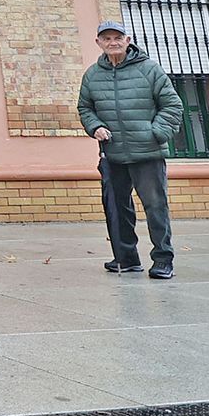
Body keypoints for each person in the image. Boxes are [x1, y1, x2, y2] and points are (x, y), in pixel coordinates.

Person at [78, 20, 184, 279]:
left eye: (118, 37)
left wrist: (155, 133)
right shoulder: (92, 74)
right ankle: (126, 258)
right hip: (112, 153)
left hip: (147, 153)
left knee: (155, 206)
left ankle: (162, 259)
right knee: (116, 207)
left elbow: (172, 106)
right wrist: (95, 127)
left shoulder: (149, 69)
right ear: (98, 43)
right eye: (107, 38)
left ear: (128, 40)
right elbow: (85, 108)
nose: (112, 42)